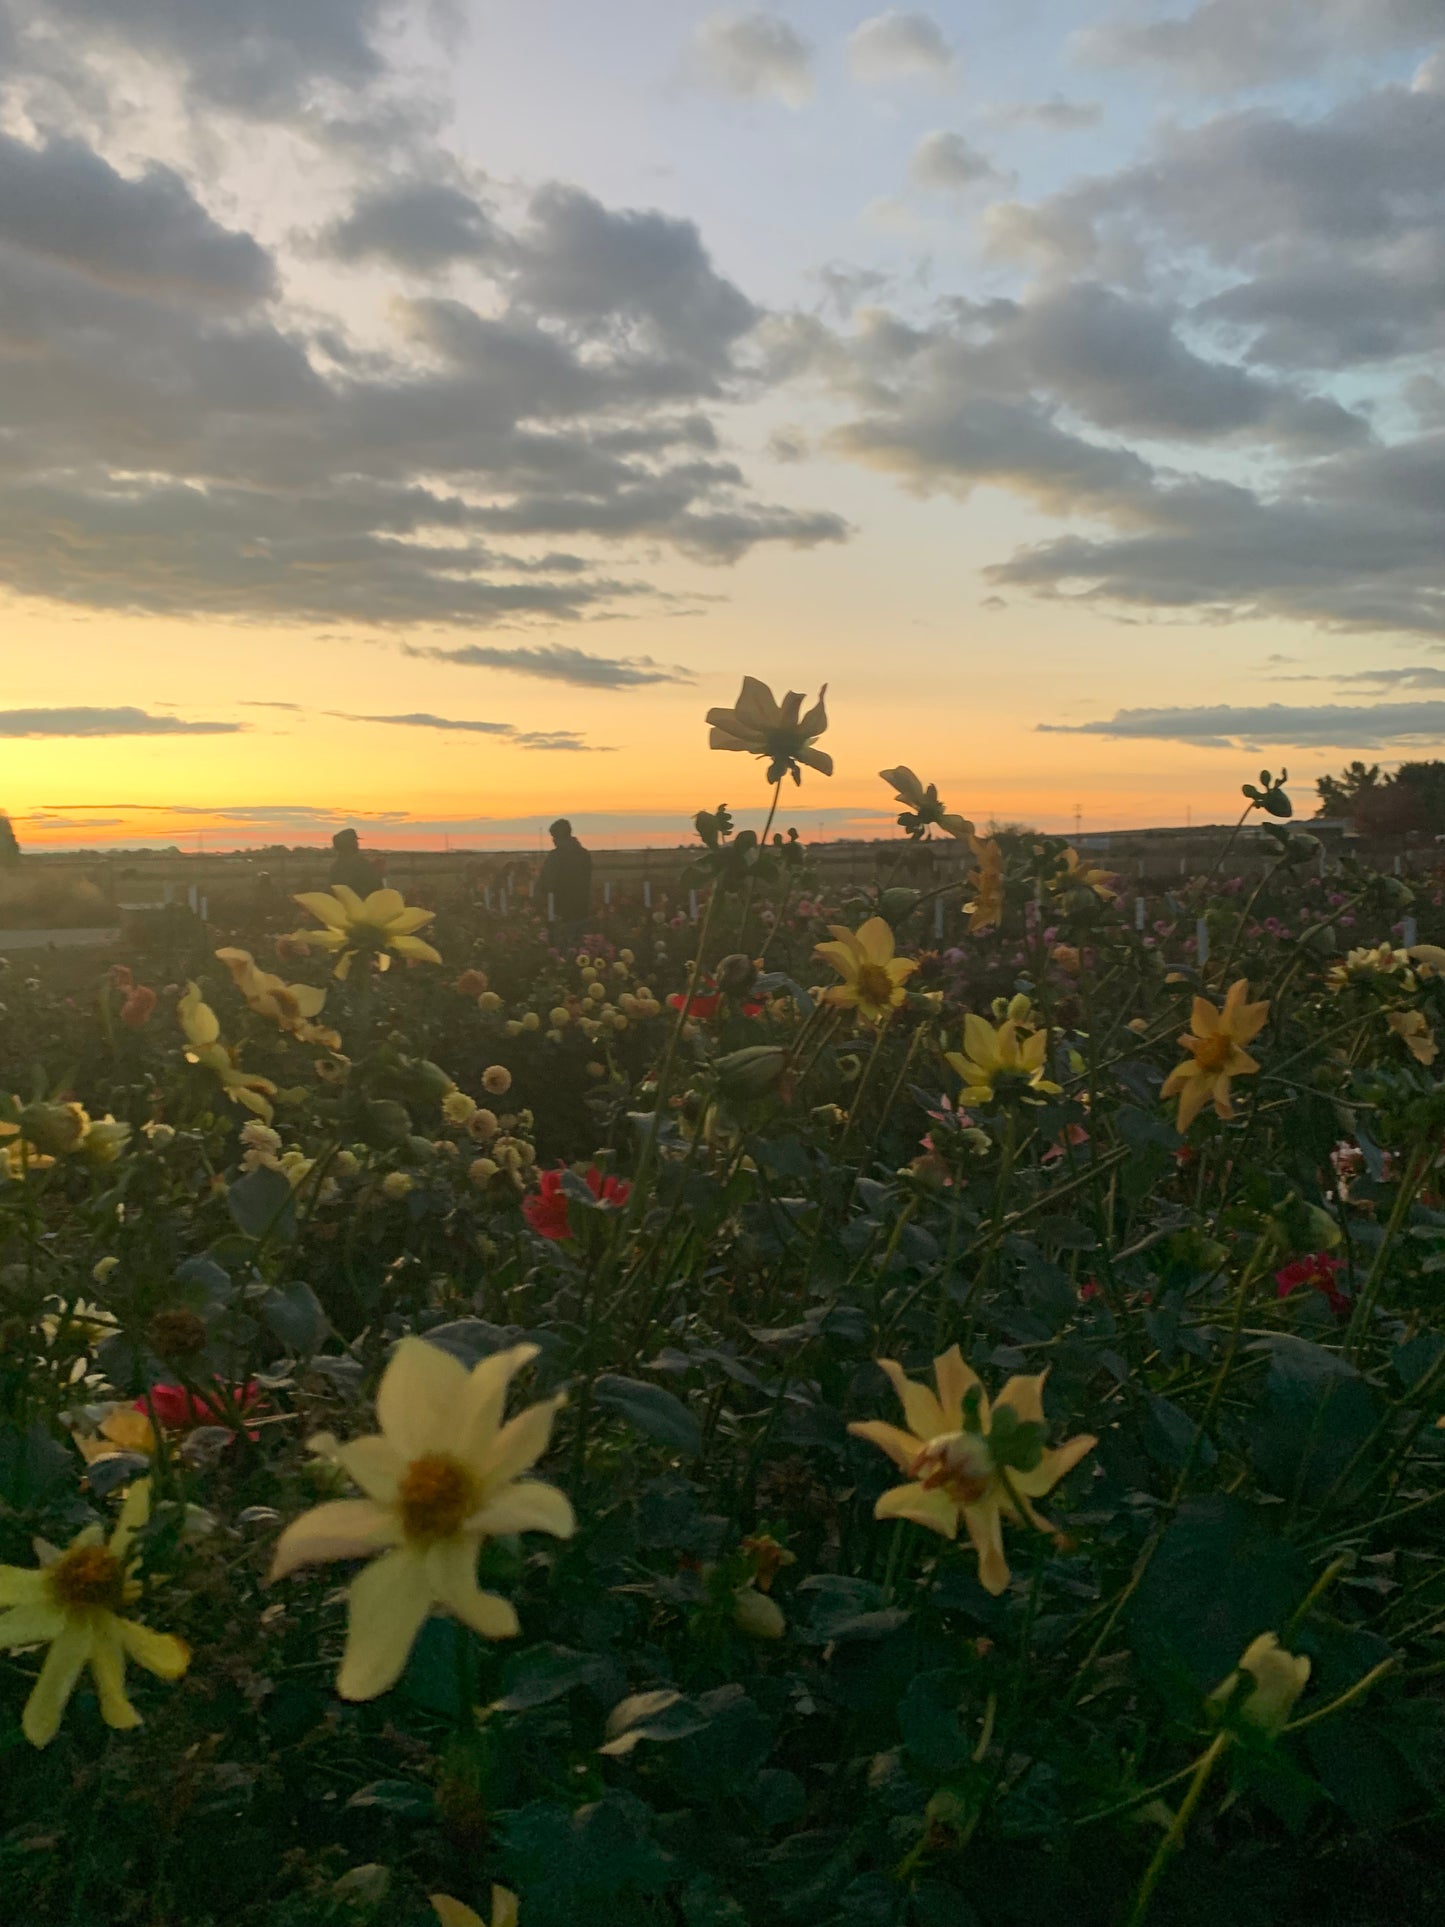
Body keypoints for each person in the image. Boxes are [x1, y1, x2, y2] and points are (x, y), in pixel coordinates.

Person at [539, 818, 592, 941]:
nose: (553, 840)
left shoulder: (556, 856)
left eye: (554, 837)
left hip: (560, 910)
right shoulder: (584, 854)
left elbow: (547, 882)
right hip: (582, 907)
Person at [329, 828, 382, 898]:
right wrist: (378, 874)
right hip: (362, 904)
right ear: (352, 844)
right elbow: (375, 887)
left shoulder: (335, 866)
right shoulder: (361, 863)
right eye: (355, 841)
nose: (357, 843)